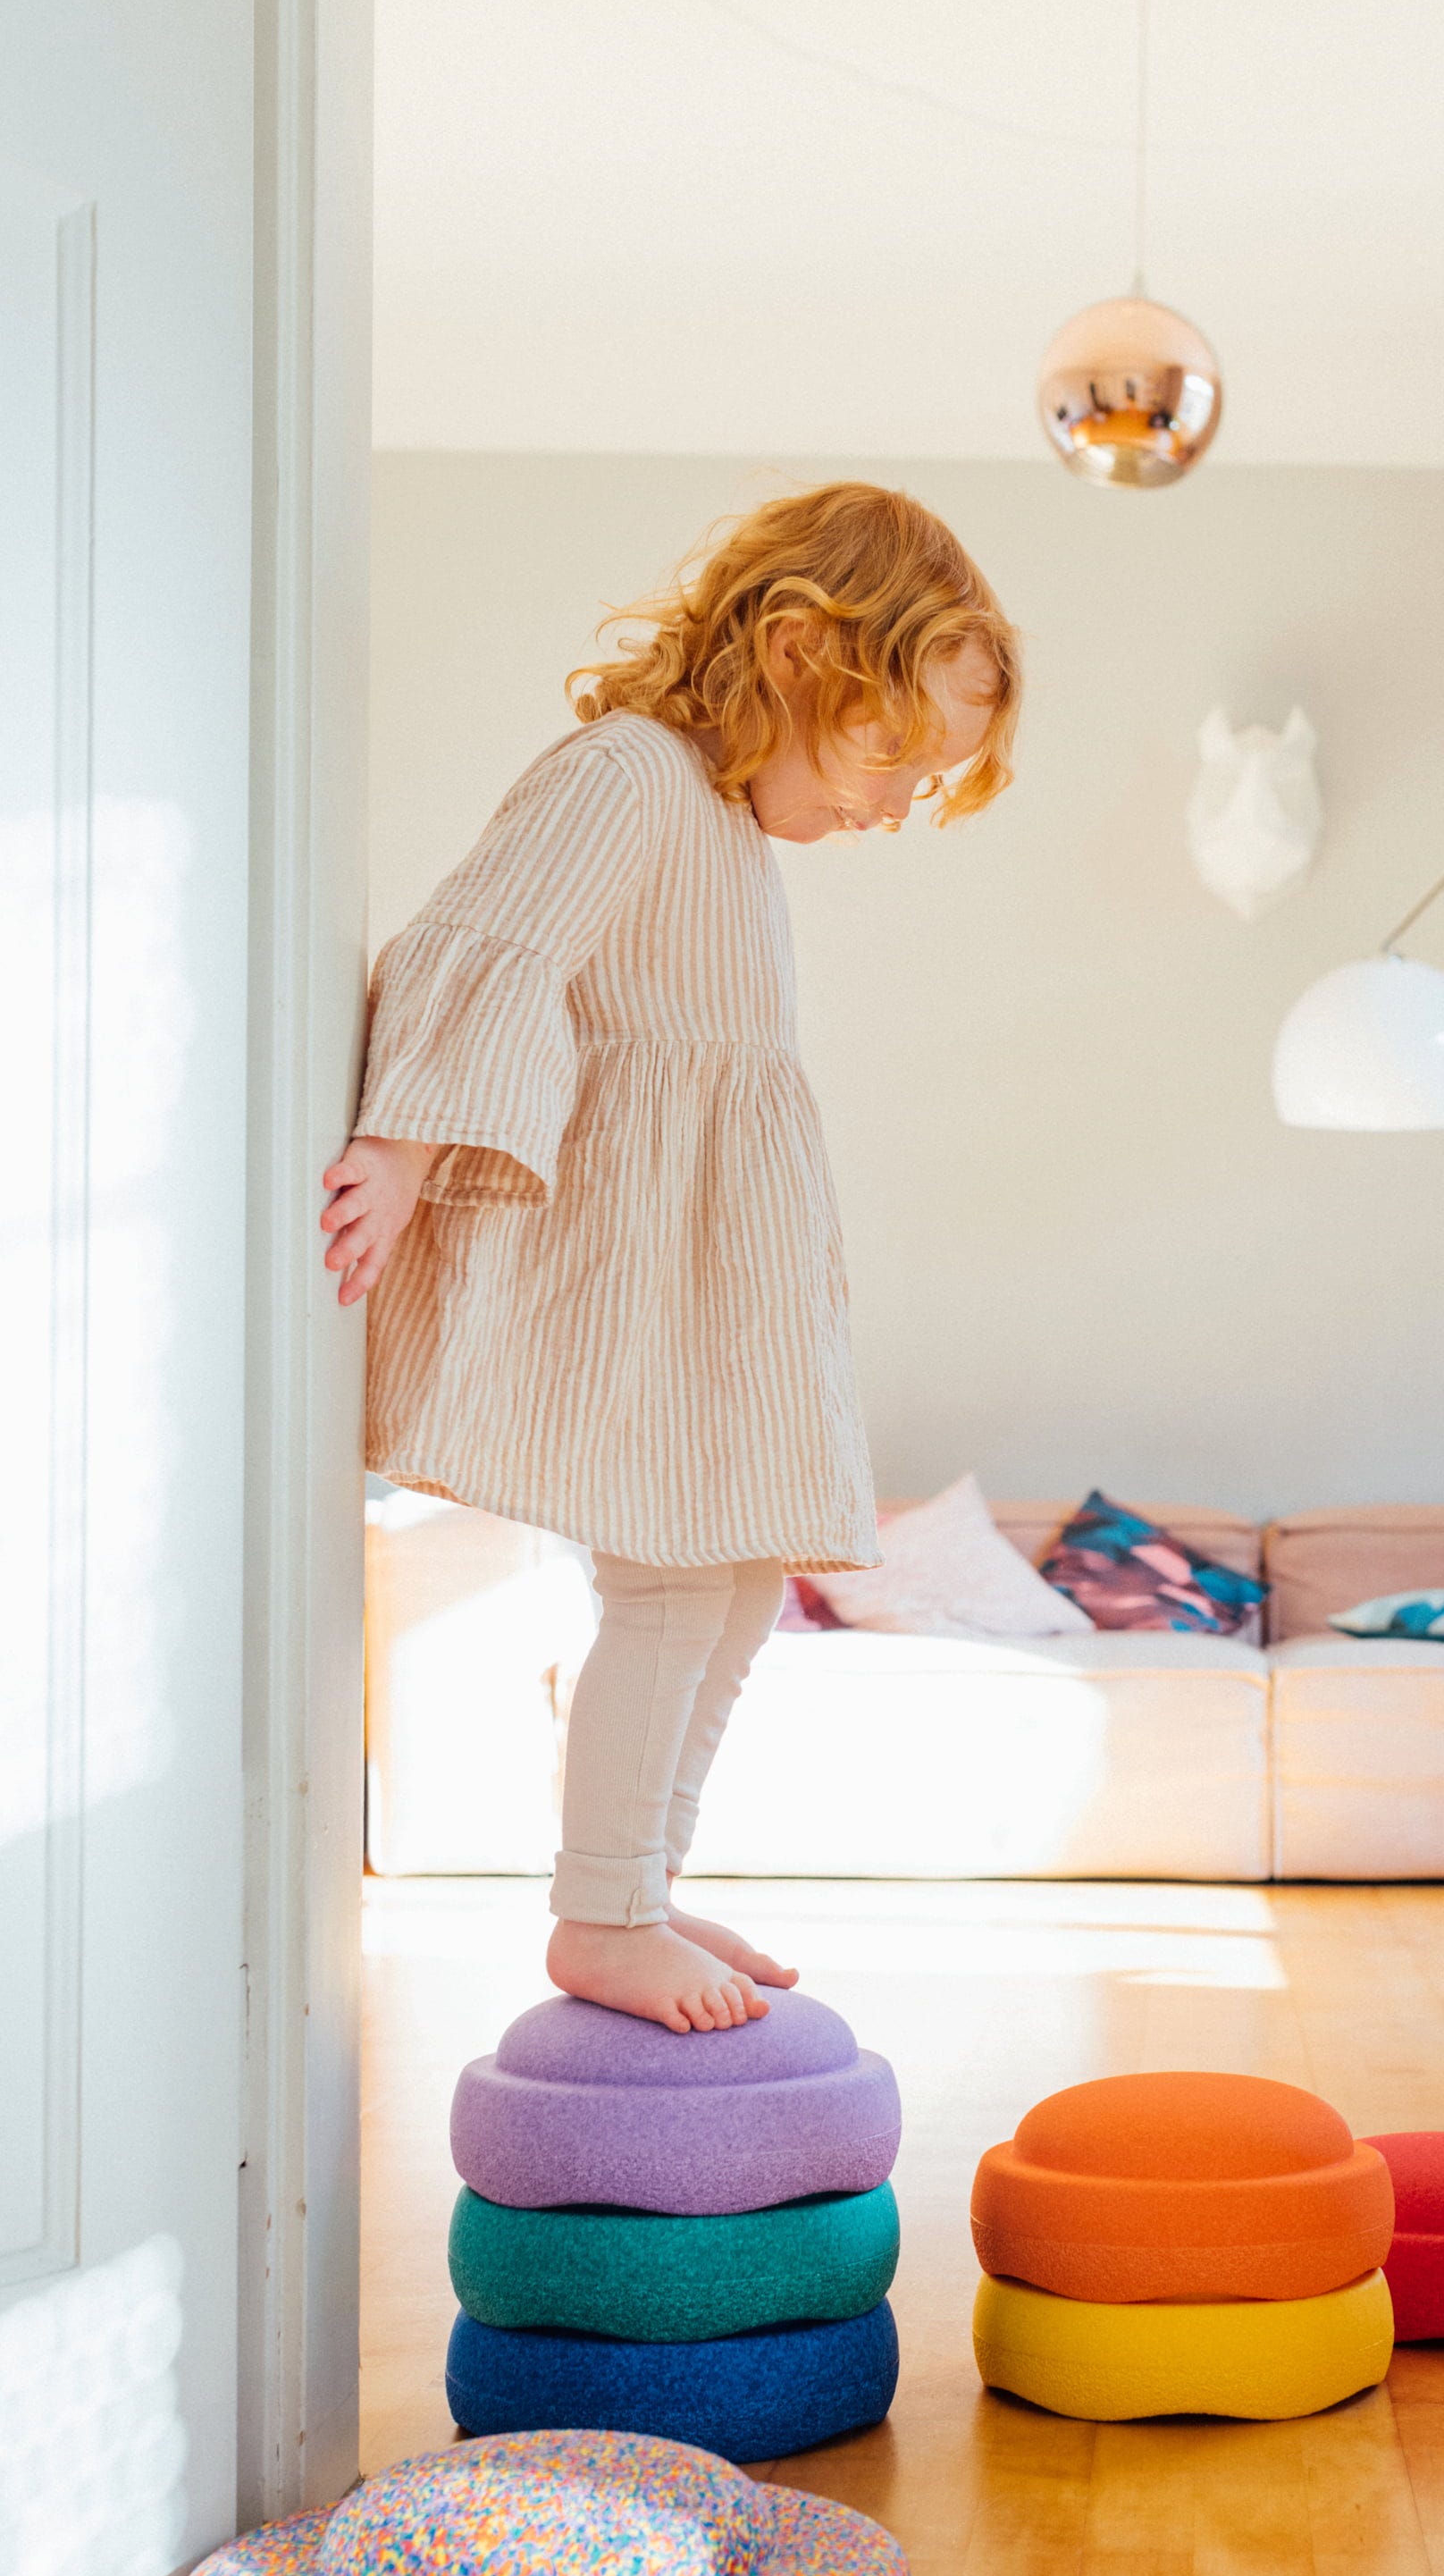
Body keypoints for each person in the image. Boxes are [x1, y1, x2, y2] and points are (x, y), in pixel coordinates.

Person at [322, 484, 1020, 2032]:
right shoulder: (630, 775)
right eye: (893, 755)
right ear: (796, 652)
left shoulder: (727, 830)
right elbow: (490, 942)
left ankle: (637, 1873)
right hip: (642, 1266)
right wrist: (405, 1150)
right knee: (669, 1579)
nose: (896, 804)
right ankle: (604, 1914)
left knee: (740, 1573)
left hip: (718, 1266)